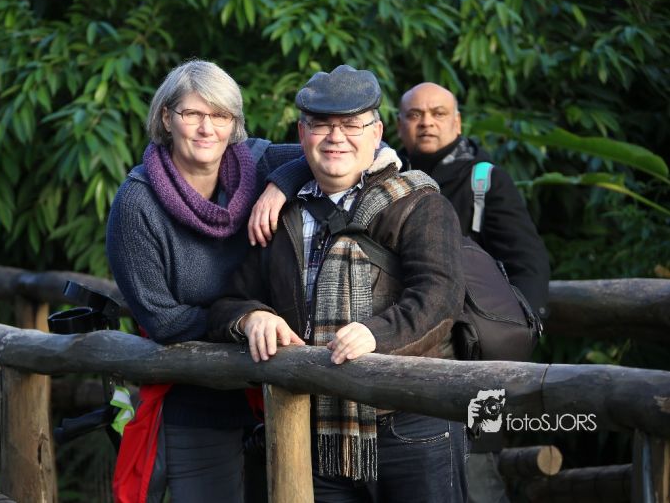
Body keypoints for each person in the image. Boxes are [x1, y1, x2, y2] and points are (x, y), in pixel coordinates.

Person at [208, 65, 469, 502]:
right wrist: (251, 317)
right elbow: (228, 301)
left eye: (351, 125)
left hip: (413, 421)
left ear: (377, 132)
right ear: (301, 133)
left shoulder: (419, 202)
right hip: (313, 431)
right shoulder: (280, 215)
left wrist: (376, 334)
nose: (336, 137)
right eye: (321, 125)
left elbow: (440, 298)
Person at [105, 59, 308, 503]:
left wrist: (280, 183)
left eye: (220, 115)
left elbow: (352, 148)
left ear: (234, 123)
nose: (206, 128)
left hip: (279, 389)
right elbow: (163, 321)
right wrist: (243, 322)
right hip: (194, 395)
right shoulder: (137, 203)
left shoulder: (258, 162)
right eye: (192, 113)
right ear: (166, 118)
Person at [396, 82, 551, 503]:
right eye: (415, 114)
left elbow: (528, 262)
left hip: (479, 355)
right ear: (399, 124)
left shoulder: (484, 179)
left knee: (478, 466)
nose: (426, 122)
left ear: (458, 122)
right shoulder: (388, 178)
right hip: (412, 349)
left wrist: (519, 333)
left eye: (438, 113)